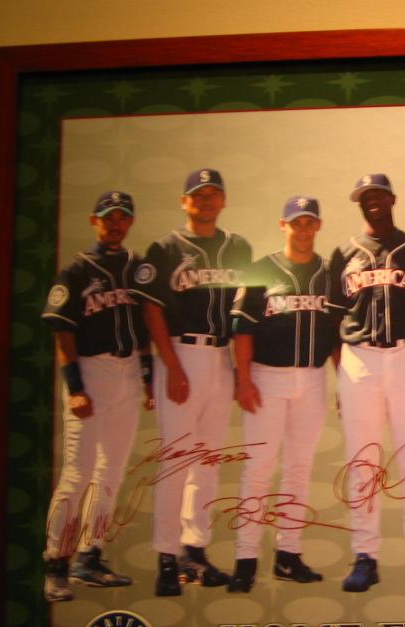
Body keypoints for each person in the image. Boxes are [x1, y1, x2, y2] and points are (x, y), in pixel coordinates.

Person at [130, 168, 251, 596]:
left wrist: (240, 371)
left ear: (224, 200)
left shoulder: (238, 247)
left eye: (213, 193)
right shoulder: (166, 248)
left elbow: (243, 312)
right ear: (184, 202)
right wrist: (172, 367)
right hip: (181, 352)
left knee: (208, 461)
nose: (206, 200)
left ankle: (194, 551)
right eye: (198, 194)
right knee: (177, 461)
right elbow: (151, 311)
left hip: (220, 356)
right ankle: (166, 558)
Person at [327, 174, 405, 592]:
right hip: (358, 358)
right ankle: (365, 556)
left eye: (378, 195)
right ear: (359, 203)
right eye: (365, 197)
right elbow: (332, 315)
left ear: (393, 198)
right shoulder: (343, 253)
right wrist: (343, 370)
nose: (372, 201)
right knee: (363, 461)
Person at [41, 191, 153, 601]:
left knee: (112, 472)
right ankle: (56, 563)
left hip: (128, 371)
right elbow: (62, 333)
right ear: (95, 220)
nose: (115, 223)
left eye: (123, 217)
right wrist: (75, 388)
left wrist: (149, 379)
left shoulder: (137, 267)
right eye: (109, 217)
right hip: (91, 370)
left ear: (130, 222)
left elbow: (144, 327)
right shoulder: (76, 270)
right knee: (78, 474)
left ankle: (90, 556)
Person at [227, 196, 338, 592]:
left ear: (318, 225)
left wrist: (344, 382)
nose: (303, 229)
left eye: (309, 222)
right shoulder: (261, 270)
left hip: (312, 378)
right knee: (258, 469)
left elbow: (337, 334)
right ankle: (245, 560)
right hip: (267, 378)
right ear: (283, 225)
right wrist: (243, 380)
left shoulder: (329, 273)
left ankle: (288, 556)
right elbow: (242, 330)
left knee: (298, 468)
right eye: (296, 223)